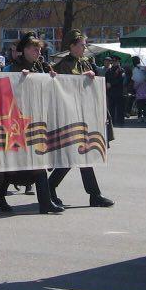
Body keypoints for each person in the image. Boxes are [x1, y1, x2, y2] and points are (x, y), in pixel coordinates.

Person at [0, 33, 60, 215]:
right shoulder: (12, 68)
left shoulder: (42, 67)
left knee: (32, 163)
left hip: (37, 120)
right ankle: (45, 203)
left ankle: (2, 197)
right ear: (23, 50)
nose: (37, 51)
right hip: (16, 122)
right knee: (18, 166)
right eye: (33, 48)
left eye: (39, 48)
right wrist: (18, 80)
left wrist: (53, 79)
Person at [48, 29, 114, 208]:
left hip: (85, 113)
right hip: (69, 115)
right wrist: (81, 78)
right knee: (78, 155)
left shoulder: (86, 62)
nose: (85, 48)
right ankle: (93, 194)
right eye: (81, 45)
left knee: (79, 155)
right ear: (72, 46)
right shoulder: (63, 64)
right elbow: (61, 86)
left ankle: (51, 187)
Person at [105, 59, 128, 128]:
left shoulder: (121, 70)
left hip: (119, 91)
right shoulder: (109, 70)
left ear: (118, 62)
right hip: (111, 92)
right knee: (111, 107)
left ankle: (120, 121)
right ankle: (112, 122)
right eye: (113, 61)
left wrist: (111, 84)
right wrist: (107, 83)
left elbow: (120, 79)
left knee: (120, 108)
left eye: (116, 61)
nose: (114, 63)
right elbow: (106, 77)